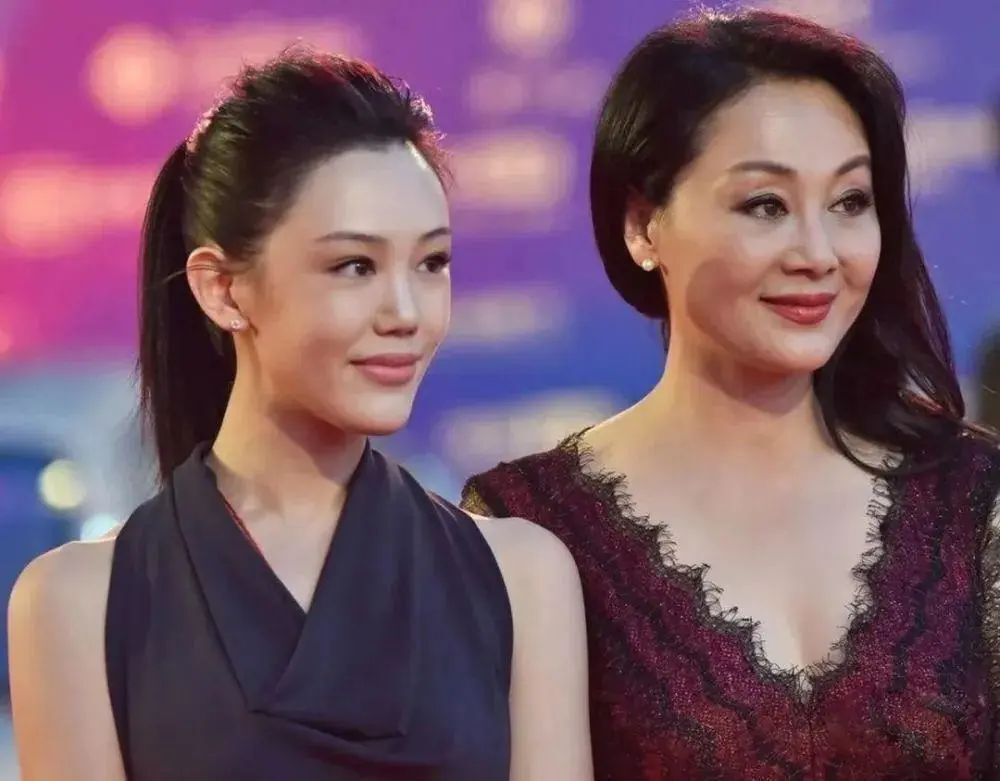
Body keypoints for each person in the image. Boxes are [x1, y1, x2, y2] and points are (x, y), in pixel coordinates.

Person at [8, 51, 591, 781]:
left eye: (431, 264)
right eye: (355, 266)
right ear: (223, 290)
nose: (405, 313)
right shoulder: (81, 601)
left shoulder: (520, 578)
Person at [463, 9, 1000, 780]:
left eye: (850, 202)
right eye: (765, 205)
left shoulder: (973, 499)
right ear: (643, 225)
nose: (818, 253)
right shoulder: (532, 527)